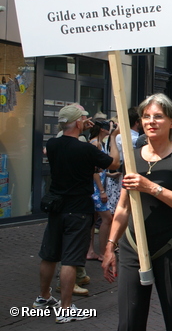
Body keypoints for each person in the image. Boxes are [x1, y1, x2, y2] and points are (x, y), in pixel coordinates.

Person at [102, 93, 172, 330]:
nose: (151, 121)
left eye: (158, 116)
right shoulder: (133, 158)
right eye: (146, 116)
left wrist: (152, 187)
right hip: (132, 248)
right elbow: (123, 207)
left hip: (170, 248)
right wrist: (110, 246)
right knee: (129, 321)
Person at [35, 104, 120, 324]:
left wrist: (77, 123)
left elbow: (62, 137)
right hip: (79, 209)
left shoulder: (52, 144)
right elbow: (115, 163)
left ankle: (43, 298)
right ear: (80, 122)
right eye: (84, 119)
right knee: (71, 259)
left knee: (49, 254)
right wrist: (111, 137)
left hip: (56, 207)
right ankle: (65, 309)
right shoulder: (86, 149)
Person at [87, 120, 115, 262]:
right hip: (96, 189)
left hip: (96, 186)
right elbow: (94, 170)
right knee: (107, 218)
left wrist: (109, 175)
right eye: (108, 127)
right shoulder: (96, 144)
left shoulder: (99, 142)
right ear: (102, 130)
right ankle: (103, 251)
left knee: (93, 220)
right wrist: (102, 190)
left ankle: (91, 250)